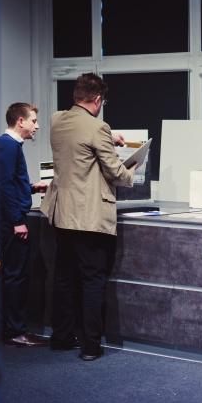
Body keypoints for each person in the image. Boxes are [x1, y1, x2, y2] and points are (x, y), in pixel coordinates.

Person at [41, 73, 134, 361]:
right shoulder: (98, 127)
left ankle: (61, 338)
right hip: (88, 216)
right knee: (93, 280)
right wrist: (132, 169)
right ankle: (91, 347)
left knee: (64, 278)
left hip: (61, 213)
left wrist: (108, 138)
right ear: (97, 99)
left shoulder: (57, 120)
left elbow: (79, 139)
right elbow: (114, 171)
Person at [0, 102, 49, 347]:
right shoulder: (8, 145)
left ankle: (10, 328)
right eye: (33, 121)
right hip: (11, 222)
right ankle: (14, 331)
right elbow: (3, 186)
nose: (36, 126)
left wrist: (31, 188)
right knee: (15, 275)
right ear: (20, 121)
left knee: (13, 274)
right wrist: (18, 221)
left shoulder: (10, 145)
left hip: (10, 218)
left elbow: (11, 183)